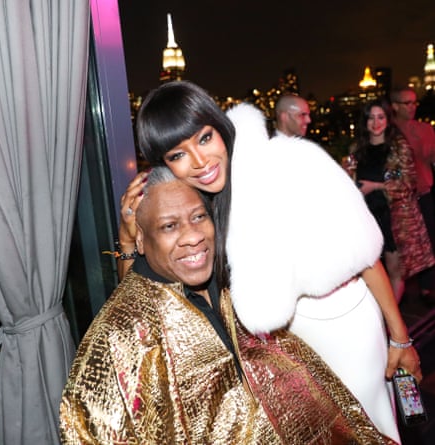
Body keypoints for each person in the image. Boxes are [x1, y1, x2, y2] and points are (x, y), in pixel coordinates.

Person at [118, 81, 421, 443]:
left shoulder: (289, 162)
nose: (199, 162)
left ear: (220, 127)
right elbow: (143, 298)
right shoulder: (198, 208)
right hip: (274, 352)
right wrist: (126, 238)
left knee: (364, 431)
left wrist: (401, 340)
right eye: (177, 155)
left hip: (342, 325)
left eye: (203, 138)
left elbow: (367, 258)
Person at [60, 167, 395, 444]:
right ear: (142, 241)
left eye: (198, 217)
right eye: (169, 226)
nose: (192, 236)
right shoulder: (118, 334)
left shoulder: (237, 287)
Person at [347, 99, 435, 303]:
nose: (375, 123)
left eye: (380, 117)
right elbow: (349, 179)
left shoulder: (399, 147)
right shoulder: (356, 149)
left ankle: (390, 319)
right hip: (366, 217)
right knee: (368, 270)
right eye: (370, 118)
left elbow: (407, 184)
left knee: (395, 271)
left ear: (388, 120)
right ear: (365, 122)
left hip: (394, 217)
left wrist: (374, 186)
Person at [391, 86, 435, 302]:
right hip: (402, 199)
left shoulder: (426, 129)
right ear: (395, 106)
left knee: (430, 240)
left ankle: (427, 288)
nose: (412, 107)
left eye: (414, 102)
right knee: (405, 247)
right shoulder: (390, 131)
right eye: (406, 103)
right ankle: (401, 288)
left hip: (425, 193)